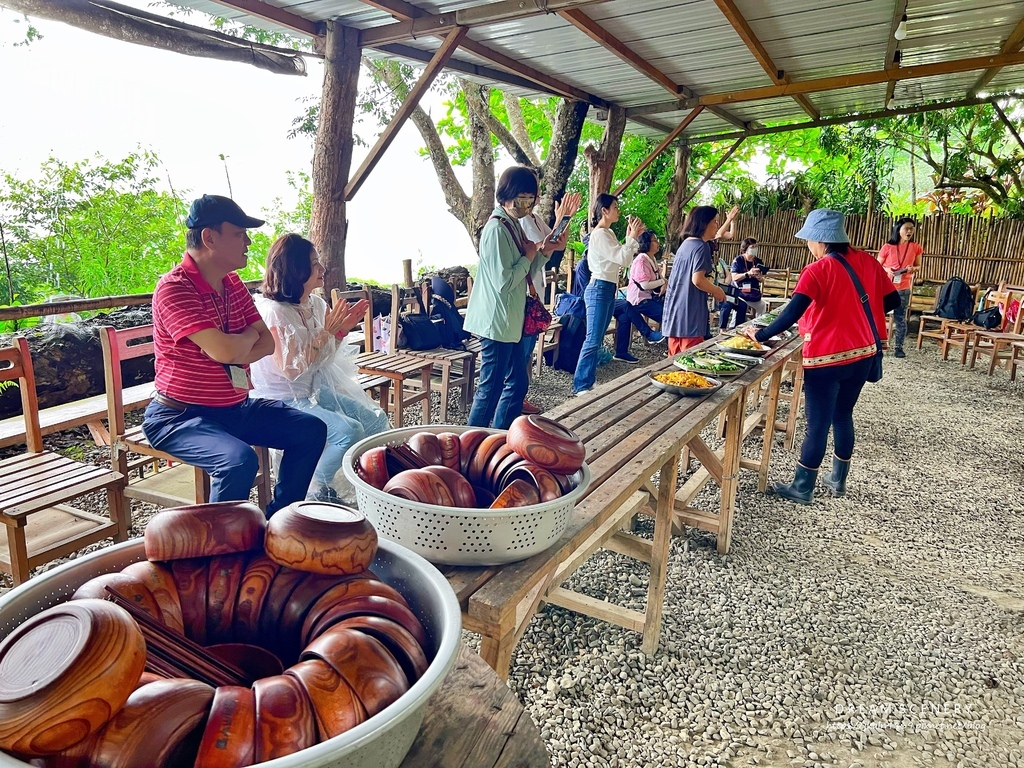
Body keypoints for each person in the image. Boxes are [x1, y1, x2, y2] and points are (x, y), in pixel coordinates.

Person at [142, 195, 327, 516]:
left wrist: (232, 345)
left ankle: (279, 521)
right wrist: (240, 341)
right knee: (239, 461)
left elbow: (266, 343)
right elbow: (224, 350)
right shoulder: (174, 288)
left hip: (234, 408)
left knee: (311, 430)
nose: (249, 241)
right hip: (180, 416)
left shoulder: (233, 284)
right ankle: (222, 551)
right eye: (240, 233)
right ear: (209, 237)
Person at [743, 209, 900, 504]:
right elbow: (892, 300)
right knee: (843, 414)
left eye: (809, 240)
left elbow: (792, 312)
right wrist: (853, 314)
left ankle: (803, 486)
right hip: (864, 353)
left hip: (826, 357)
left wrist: (760, 335)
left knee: (817, 422)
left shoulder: (817, 270)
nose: (808, 246)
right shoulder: (867, 260)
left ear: (820, 240)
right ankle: (838, 480)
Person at [249, 234, 388, 502]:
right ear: (295, 269)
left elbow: (324, 358)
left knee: (375, 419)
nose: (322, 269)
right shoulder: (274, 312)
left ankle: (376, 487)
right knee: (347, 431)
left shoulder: (316, 303)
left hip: (313, 390)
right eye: (314, 264)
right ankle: (315, 488)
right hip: (281, 400)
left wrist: (339, 332)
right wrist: (327, 331)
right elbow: (291, 369)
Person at [464, 166, 541, 429]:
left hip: (509, 323)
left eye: (531, 198)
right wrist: (529, 256)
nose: (527, 204)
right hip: (495, 323)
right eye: (522, 196)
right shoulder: (497, 229)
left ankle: (496, 439)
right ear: (507, 195)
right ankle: (470, 447)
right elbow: (504, 281)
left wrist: (543, 252)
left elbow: (525, 269)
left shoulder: (512, 225)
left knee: (517, 383)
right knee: (490, 391)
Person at [572, 194, 646, 395]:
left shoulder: (608, 233)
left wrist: (632, 238)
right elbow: (622, 258)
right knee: (593, 339)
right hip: (598, 288)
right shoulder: (600, 234)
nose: (618, 210)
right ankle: (581, 385)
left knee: (596, 338)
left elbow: (625, 258)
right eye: (614, 206)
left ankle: (587, 380)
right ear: (604, 210)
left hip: (606, 288)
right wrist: (631, 238)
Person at [517, 191, 581, 413]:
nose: (536, 198)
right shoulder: (522, 221)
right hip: (524, 292)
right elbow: (541, 246)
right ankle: (513, 402)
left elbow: (558, 244)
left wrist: (565, 220)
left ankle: (518, 398)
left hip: (536, 291)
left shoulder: (535, 219)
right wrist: (561, 219)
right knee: (522, 351)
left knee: (527, 351)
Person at [662, 206, 728, 355]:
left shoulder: (685, 244)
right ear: (704, 224)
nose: (717, 226)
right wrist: (717, 291)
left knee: (674, 365)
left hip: (674, 315)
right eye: (715, 222)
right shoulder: (701, 246)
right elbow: (698, 280)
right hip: (689, 316)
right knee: (690, 362)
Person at [613, 230, 666, 363]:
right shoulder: (641, 261)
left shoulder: (651, 259)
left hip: (647, 298)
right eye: (654, 240)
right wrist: (663, 282)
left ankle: (621, 352)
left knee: (624, 317)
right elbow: (645, 285)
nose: (657, 243)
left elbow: (658, 279)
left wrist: (663, 282)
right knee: (667, 314)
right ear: (647, 243)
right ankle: (668, 344)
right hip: (639, 300)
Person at [877, 217, 922, 358]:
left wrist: (912, 269)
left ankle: (899, 347)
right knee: (878, 315)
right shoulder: (887, 247)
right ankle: (878, 345)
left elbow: (919, 266)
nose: (909, 231)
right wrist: (887, 269)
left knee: (900, 318)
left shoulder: (916, 247)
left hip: (903, 287)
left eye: (911, 228)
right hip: (885, 287)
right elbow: (878, 265)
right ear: (898, 230)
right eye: (906, 228)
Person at [721, 238, 769, 329]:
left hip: (753, 293)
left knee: (762, 305)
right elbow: (734, 277)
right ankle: (733, 328)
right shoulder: (738, 260)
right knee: (740, 306)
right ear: (746, 248)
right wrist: (748, 274)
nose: (754, 249)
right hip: (740, 293)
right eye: (752, 247)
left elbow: (763, 279)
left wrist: (760, 278)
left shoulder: (758, 261)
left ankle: (758, 328)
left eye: (756, 247)